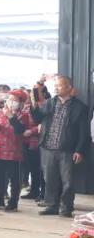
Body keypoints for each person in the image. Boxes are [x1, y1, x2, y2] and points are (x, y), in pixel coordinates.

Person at [33, 75, 90, 217]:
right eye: (55, 86)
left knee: (68, 182)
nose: (56, 88)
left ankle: (66, 208)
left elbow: (84, 131)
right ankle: (52, 205)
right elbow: (37, 118)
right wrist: (34, 106)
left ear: (69, 87)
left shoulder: (80, 107)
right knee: (49, 179)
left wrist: (79, 150)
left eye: (59, 85)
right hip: (48, 147)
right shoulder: (49, 103)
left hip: (68, 150)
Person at [0, 90, 34, 211]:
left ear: (21, 103)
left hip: (13, 150)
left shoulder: (23, 115)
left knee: (14, 178)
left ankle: (13, 202)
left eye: (15, 100)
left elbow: (20, 130)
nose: (11, 102)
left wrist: (11, 116)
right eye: (9, 99)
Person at [22, 82, 50, 202]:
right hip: (28, 141)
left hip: (41, 141)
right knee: (33, 168)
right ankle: (34, 191)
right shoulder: (29, 105)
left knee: (42, 169)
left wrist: (31, 131)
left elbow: (42, 123)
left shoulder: (48, 104)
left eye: (36, 91)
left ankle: (44, 193)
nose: (33, 94)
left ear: (43, 93)